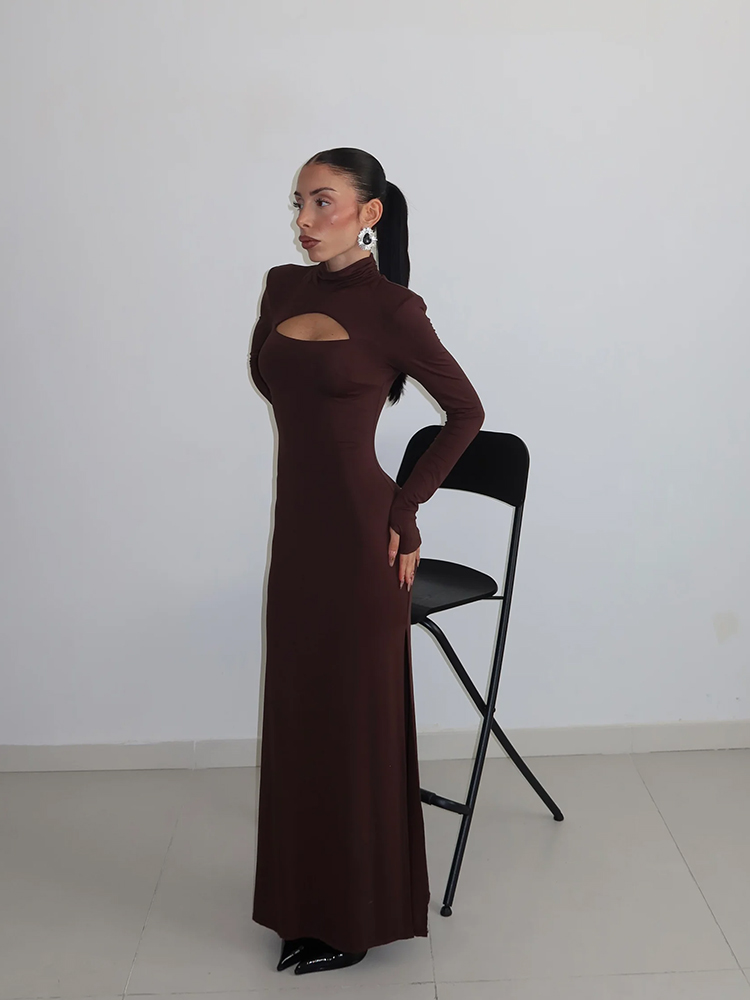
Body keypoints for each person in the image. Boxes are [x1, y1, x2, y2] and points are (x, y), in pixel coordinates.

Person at [247, 147, 485, 975]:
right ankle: (299, 904)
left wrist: (406, 509)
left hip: (362, 537)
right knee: (299, 709)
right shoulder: (281, 288)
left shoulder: (394, 310)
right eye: (298, 204)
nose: (304, 221)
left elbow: (465, 411)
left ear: (368, 213)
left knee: (353, 719)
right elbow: (279, 384)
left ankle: (352, 918)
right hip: (299, 533)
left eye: (322, 203)